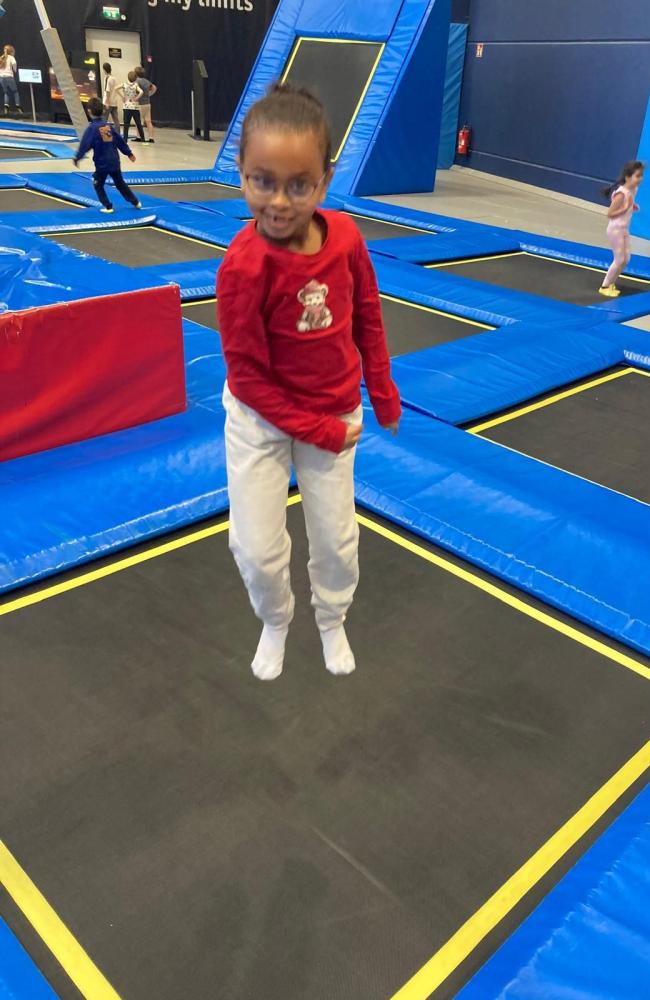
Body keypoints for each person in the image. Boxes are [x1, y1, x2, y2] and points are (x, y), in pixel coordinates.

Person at [216, 82, 401, 681]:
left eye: (299, 185)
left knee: (337, 539)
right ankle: (276, 618)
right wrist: (316, 431)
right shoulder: (243, 268)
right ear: (241, 172)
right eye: (262, 181)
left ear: (325, 181)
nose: (278, 202)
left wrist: (382, 390)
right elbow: (248, 378)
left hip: (333, 408)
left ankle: (331, 617)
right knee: (255, 548)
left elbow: (367, 315)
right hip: (260, 419)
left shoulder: (345, 238)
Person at [73, 97, 142, 214]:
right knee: (120, 184)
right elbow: (119, 140)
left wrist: (77, 158)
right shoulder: (107, 127)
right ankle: (135, 202)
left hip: (102, 164)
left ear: (89, 111)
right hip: (114, 161)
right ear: (103, 110)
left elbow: (85, 145)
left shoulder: (92, 129)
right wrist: (128, 153)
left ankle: (108, 206)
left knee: (98, 184)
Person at [600, 160, 645, 298]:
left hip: (624, 229)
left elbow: (629, 203)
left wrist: (632, 206)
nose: (641, 179)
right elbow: (610, 214)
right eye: (637, 176)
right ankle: (604, 286)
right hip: (615, 230)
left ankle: (611, 283)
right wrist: (625, 208)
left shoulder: (633, 189)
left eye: (641, 175)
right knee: (619, 260)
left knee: (626, 259)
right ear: (628, 177)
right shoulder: (621, 194)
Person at [134, 65, 157, 143]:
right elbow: (154, 87)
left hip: (140, 104)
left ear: (136, 74)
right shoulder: (147, 81)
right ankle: (151, 138)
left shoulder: (137, 81)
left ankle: (139, 137)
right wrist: (149, 94)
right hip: (147, 103)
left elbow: (135, 90)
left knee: (138, 121)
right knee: (148, 121)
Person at [122, 71, 145, 143]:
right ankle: (143, 140)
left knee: (126, 125)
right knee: (138, 124)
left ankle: (125, 140)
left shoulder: (124, 84)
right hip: (134, 107)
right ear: (135, 78)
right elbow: (141, 92)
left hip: (126, 107)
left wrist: (122, 96)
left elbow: (116, 88)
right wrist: (137, 98)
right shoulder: (135, 85)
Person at [0, 45, 22, 118]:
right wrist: (15, 70)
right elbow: (14, 64)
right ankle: (18, 107)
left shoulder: (2, 57)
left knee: (6, 92)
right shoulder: (11, 58)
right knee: (15, 92)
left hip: (1, 77)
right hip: (9, 77)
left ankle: (6, 108)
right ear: (11, 51)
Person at [102, 62, 122, 128]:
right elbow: (117, 89)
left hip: (107, 102)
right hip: (114, 103)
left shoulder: (107, 78)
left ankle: (102, 133)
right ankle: (117, 133)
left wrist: (107, 102)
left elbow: (107, 91)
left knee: (104, 120)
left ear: (104, 70)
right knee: (116, 120)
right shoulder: (114, 78)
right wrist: (122, 97)